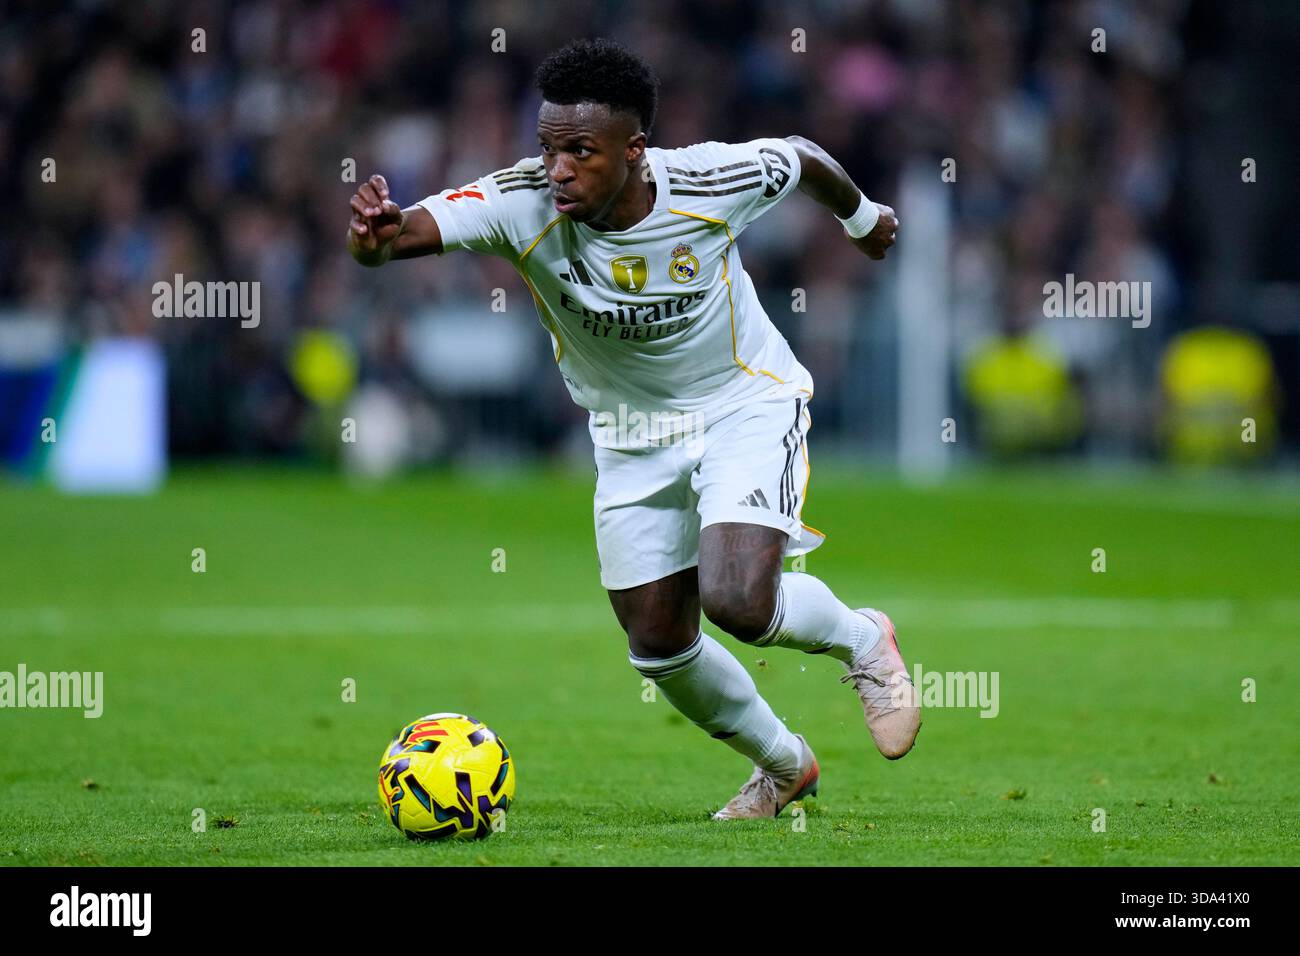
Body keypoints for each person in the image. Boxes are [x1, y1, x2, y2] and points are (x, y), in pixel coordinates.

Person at [347, 38, 918, 820]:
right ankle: (784, 767)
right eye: (548, 149)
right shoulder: (520, 203)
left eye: (580, 151)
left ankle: (862, 641)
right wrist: (370, 233)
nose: (558, 170)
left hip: (741, 402)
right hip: (627, 435)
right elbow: (391, 240)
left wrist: (862, 217)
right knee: (658, 644)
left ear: (635, 150)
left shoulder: (710, 179)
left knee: (738, 601)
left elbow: (803, 156)